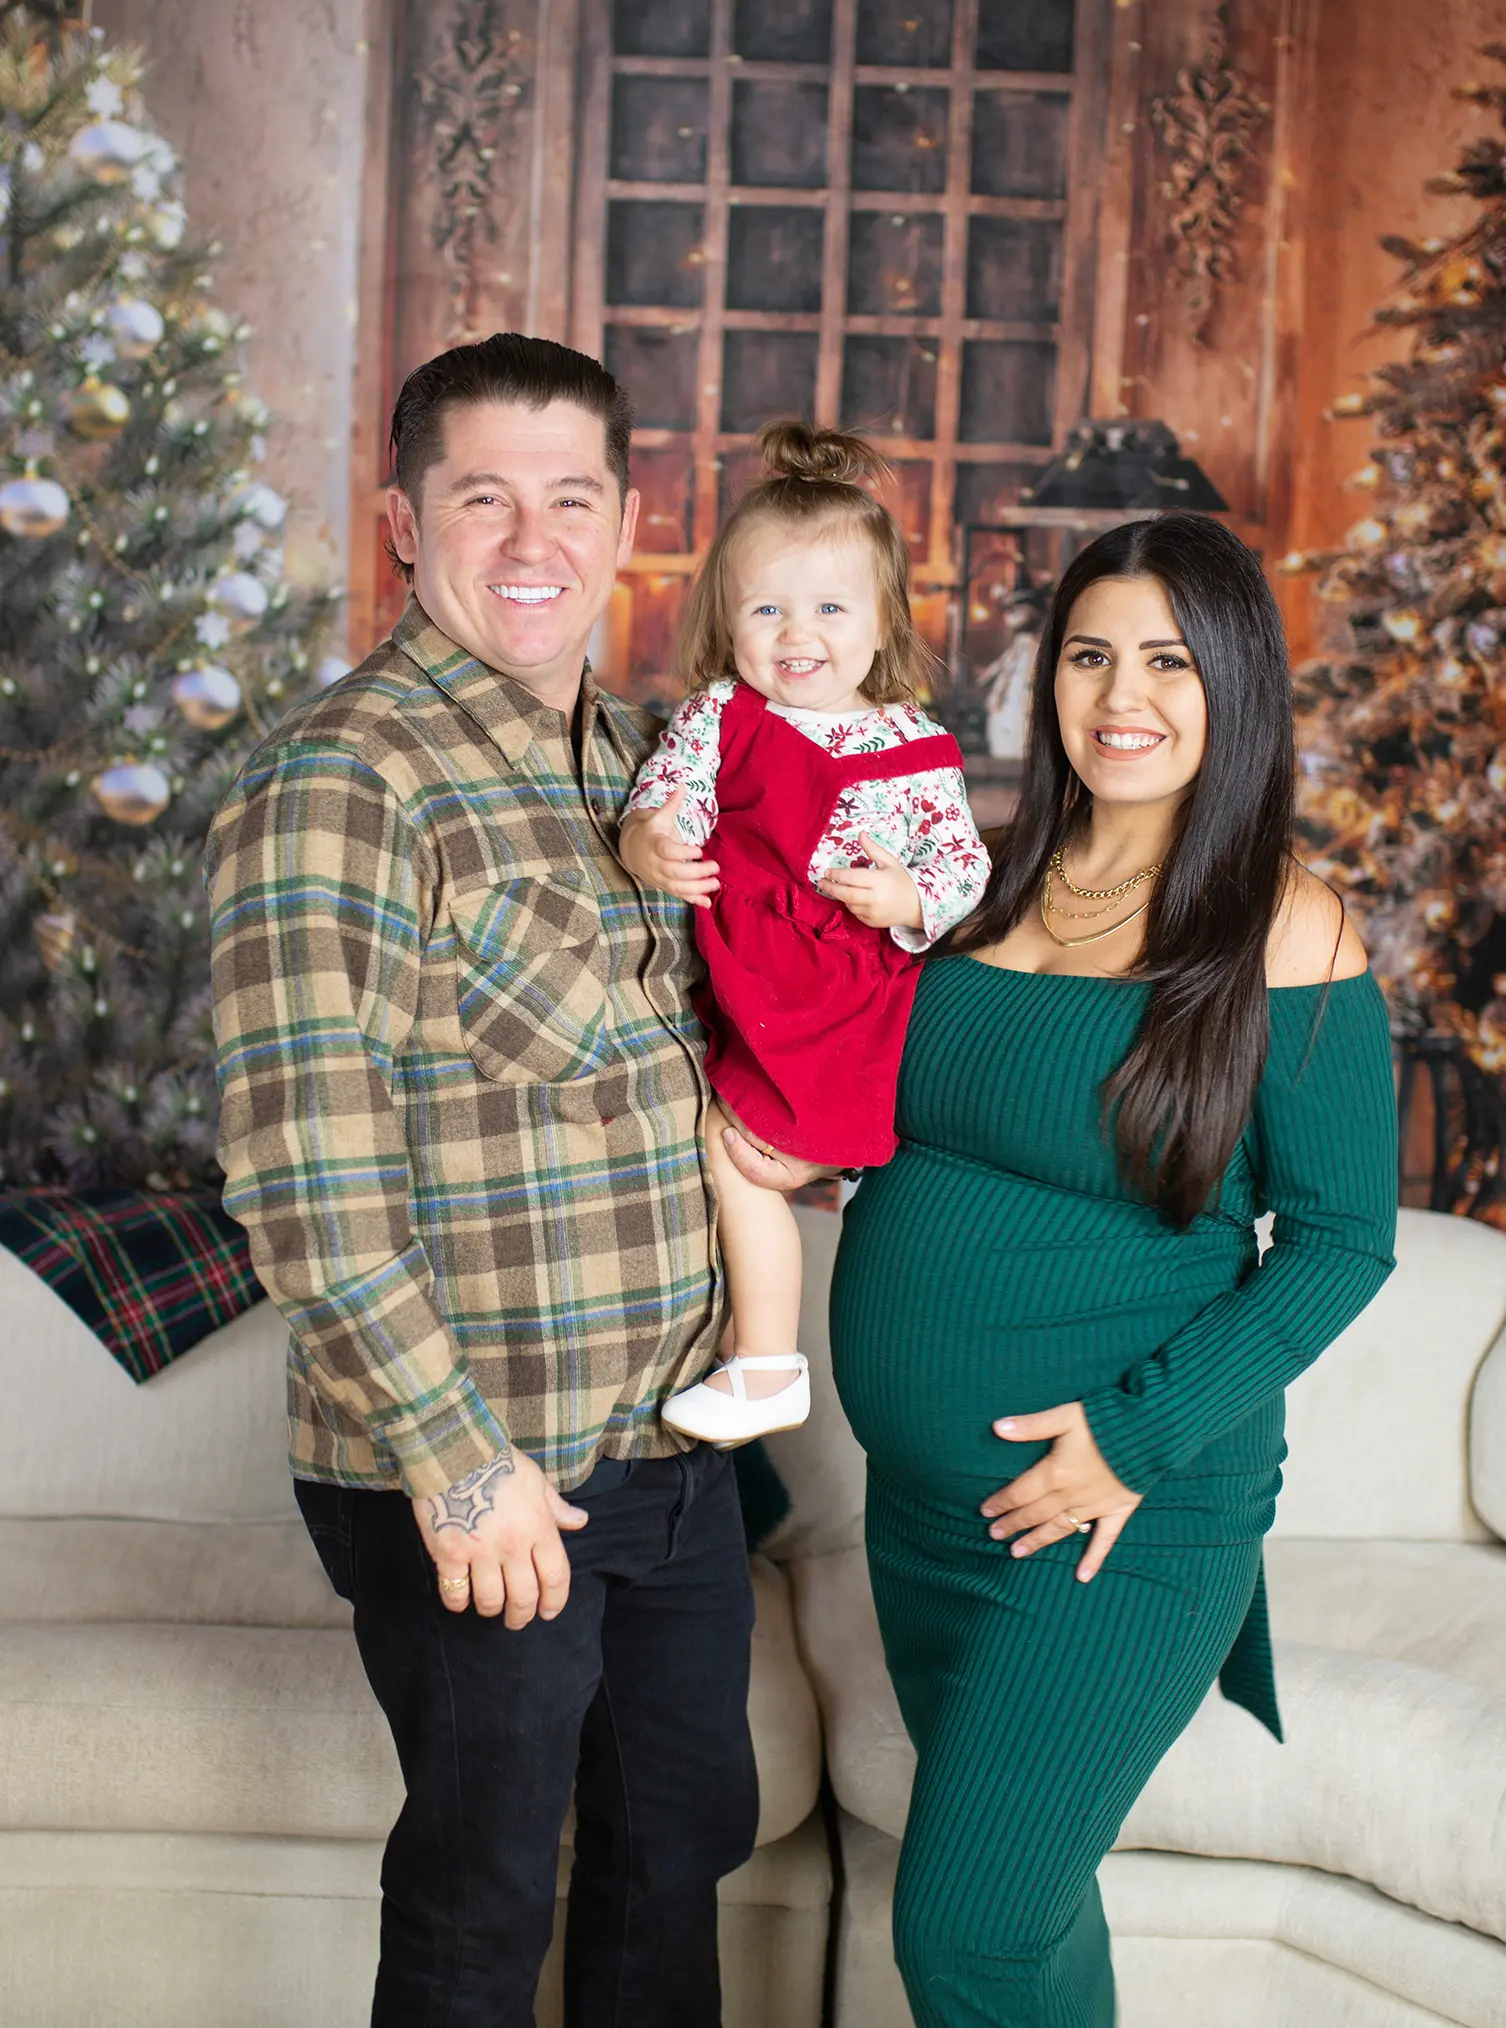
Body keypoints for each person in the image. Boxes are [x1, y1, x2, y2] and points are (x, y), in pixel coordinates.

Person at [205, 332, 759, 2028]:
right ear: (400, 521)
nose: (535, 541)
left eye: (571, 498)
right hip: (486, 1464)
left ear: (627, 522)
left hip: (676, 1449)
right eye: (482, 498)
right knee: (483, 1891)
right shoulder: (340, 780)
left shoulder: (649, 763)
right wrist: (454, 1463)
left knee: (677, 1853)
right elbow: (305, 1174)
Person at [823, 512, 1400, 2028]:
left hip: (1114, 1518)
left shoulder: (1284, 927)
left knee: (966, 1933)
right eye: (1088, 655)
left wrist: (1129, 1441)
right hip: (925, 1516)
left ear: (1234, 685)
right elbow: (912, 1127)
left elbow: (1344, 1242)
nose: (1119, 695)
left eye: (1166, 661)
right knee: (1027, 1905)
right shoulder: (978, 881)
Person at [618, 421, 988, 1445]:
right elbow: (670, 793)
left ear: (882, 621)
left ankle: (768, 1363)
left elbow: (963, 867)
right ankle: (750, 1340)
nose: (798, 633)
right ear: (727, 619)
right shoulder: (720, 713)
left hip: (838, 997)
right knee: (712, 1139)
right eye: (767, 608)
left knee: (733, 1151)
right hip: (748, 972)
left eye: (830, 607)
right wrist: (651, 842)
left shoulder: (912, 743)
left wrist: (907, 896)